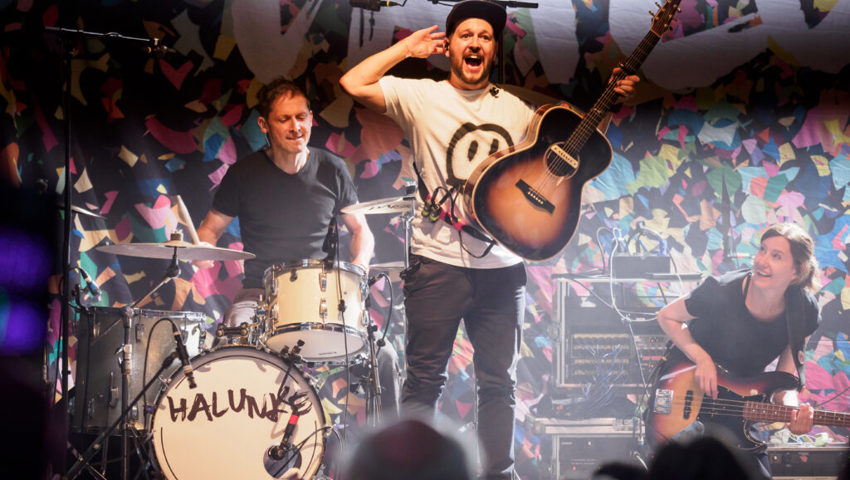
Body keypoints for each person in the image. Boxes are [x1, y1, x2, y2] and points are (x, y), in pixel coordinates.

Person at [340, 1, 639, 478]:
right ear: (451, 46)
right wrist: (407, 48)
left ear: (493, 47)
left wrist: (613, 102)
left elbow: (576, 146)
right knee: (423, 382)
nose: (475, 42)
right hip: (436, 262)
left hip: (502, 269)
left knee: (499, 383)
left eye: (484, 36)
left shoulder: (516, 109)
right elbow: (353, 84)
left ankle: (498, 473)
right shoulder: (421, 96)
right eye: (465, 35)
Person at [195, 77, 400, 418]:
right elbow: (209, 230)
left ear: (310, 118)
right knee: (232, 346)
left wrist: (361, 264)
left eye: (301, 117)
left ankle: (394, 460)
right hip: (259, 296)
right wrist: (200, 250)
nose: (296, 127)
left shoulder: (332, 168)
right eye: (284, 119)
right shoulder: (243, 173)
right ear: (264, 125)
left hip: (322, 299)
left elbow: (360, 230)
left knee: (385, 357)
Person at [655, 223, 821, 479]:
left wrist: (792, 410)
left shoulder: (804, 312)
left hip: (735, 408)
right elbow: (667, 316)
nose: (762, 261)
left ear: (796, 271)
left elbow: (784, 382)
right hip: (687, 391)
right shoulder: (721, 289)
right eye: (762, 250)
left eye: (776, 256)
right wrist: (702, 358)